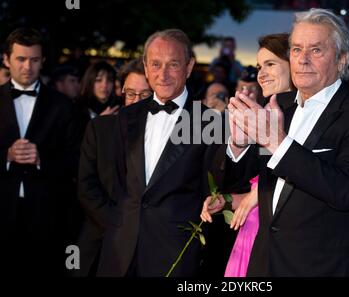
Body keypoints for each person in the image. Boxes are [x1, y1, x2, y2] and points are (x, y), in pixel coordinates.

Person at [222, 8, 349, 276]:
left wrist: (278, 142)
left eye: (316, 50)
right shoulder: (279, 106)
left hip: (319, 267)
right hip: (264, 261)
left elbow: (345, 190)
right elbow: (249, 183)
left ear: (342, 59)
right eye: (296, 49)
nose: (303, 60)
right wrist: (238, 146)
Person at [96, 29, 222, 277]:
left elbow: (212, 192)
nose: (162, 74)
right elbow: (119, 183)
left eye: (173, 64)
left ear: (189, 66)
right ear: (145, 66)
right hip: (120, 251)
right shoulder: (126, 117)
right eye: (155, 64)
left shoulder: (209, 122)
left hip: (175, 255)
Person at [201, 33, 294, 277]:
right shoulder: (261, 115)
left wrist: (261, 190)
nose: (261, 73)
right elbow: (239, 183)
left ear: (295, 64)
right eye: (259, 66)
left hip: (289, 245)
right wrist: (239, 144)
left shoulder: (306, 117)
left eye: (270, 64)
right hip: (252, 239)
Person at [0, 27, 76, 275]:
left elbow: (74, 160)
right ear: (6, 59)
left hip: (46, 217)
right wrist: (7, 156)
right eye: (20, 59)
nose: (27, 67)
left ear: (42, 61)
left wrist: (42, 159)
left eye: (34, 60)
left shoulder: (63, 105)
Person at [75, 58, 152, 276]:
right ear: (120, 91)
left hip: (146, 246)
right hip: (100, 237)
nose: (136, 101)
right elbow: (86, 186)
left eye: (144, 95)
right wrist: (120, 226)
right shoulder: (99, 127)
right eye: (130, 93)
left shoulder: (166, 137)